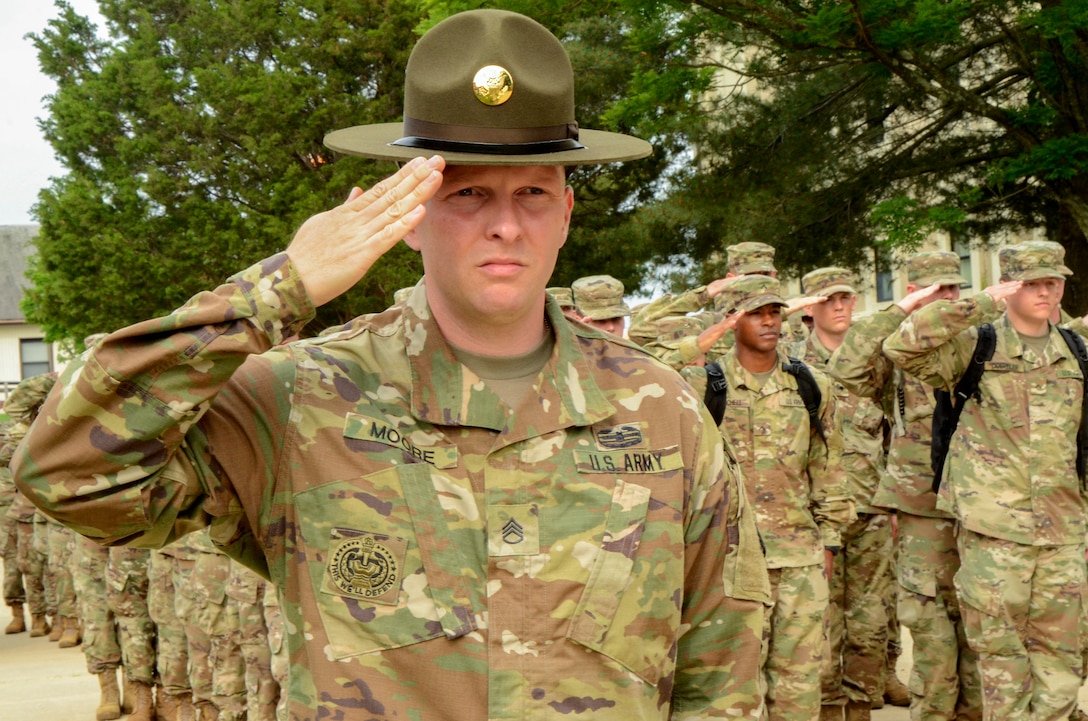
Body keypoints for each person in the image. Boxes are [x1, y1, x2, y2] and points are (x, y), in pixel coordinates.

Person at [13, 9, 767, 720]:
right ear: (410, 218)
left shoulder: (657, 407)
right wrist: (277, 291)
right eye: (467, 192)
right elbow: (71, 476)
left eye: (534, 192)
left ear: (566, 214)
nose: (505, 223)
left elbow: (721, 661)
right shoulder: (301, 398)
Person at [883, 242, 1085, 720]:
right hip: (994, 535)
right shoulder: (977, 344)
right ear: (1009, 286)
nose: (1045, 291)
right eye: (1031, 282)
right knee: (1000, 663)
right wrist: (980, 303)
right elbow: (901, 346)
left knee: (1062, 661)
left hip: (1062, 534)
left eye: (1052, 281)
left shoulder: (1076, 351)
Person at [831, 250, 980, 721]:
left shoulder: (984, 338)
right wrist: (899, 314)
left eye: (954, 289)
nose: (948, 298)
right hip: (922, 503)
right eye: (936, 291)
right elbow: (847, 371)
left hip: (985, 503)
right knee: (931, 624)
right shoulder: (895, 346)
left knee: (983, 621)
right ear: (913, 293)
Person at [709, 274, 854, 721]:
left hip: (799, 559)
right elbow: (651, 352)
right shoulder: (705, 384)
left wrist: (829, 543)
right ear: (732, 321)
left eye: (775, 312)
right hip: (729, 562)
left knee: (799, 684)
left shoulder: (811, 385)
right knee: (734, 688)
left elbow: (828, 470)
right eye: (756, 313)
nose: (770, 322)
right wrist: (705, 302)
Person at [793, 268, 893, 721]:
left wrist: (894, 498)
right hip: (816, 513)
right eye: (829, 299)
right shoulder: (793, 363)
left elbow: (896, 428)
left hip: (872, 508)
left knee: (871, 620)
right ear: (809, 308)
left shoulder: (879, 361)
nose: (839, 306)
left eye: (846, 298)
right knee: (821, 620)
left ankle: (861, 708)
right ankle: (826, 707)